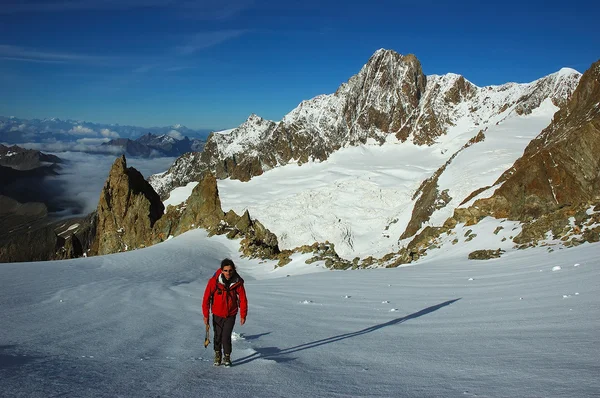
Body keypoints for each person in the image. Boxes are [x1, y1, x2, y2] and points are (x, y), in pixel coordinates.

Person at [202, 258, 248, 366]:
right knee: (217, 335)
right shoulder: (214, 281)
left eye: (230, 270)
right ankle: (217, 354)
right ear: (222, 270)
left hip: (231, 314)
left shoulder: (237, 282)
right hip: (217, 313)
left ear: (234, 270)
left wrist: (243, 315)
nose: (228, 273)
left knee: (226, 336)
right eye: (225, 270)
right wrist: (206, 315)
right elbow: (206, 299)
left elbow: (243, 299)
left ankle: (227, 356)